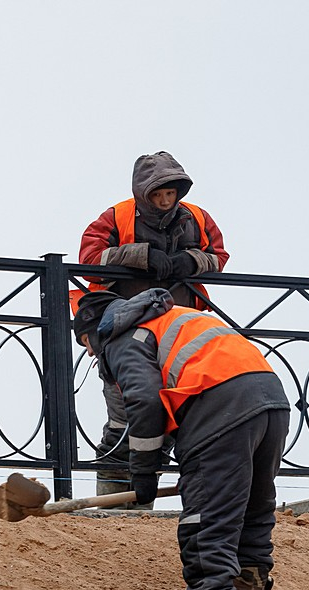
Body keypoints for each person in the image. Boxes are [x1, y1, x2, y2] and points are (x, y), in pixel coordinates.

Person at [72, 288, 289, 590]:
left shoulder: (122, 337)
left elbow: (145, 400)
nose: (90, 353)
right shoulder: (171, 317)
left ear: (96, 330)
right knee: (253, 510)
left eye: (86, 343)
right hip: (270, 398)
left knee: (205, 522)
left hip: (218, 404)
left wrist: (142, 473)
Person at [77, 151, 231, 503]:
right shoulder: (116, 216)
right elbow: (89, 262)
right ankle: (113, 498)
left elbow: (219, 258)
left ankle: (142, 499)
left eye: (170, 193)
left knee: (175, 412)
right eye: (157, 194)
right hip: (127, 326)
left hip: (181, 331)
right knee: (124, 412)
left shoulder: (197, 218)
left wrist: (187, 260)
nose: (164, 201)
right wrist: (141, 255)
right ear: (142, 193)